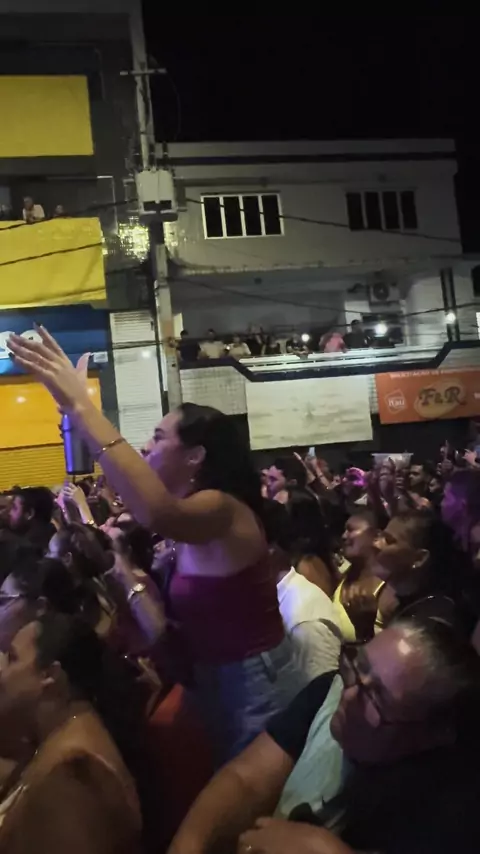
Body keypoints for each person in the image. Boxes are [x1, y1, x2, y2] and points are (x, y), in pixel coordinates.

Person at [8, 326, 306, 765]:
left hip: (253, 683)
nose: (146, 446)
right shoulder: (196, 514)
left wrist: (83, 407)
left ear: (195, 456)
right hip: (215, 680)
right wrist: (75, 415)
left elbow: (156, 511)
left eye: (158, 437)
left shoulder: (222, 509)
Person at [168, 620, 480, 854]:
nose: (348, 696)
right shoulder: (330, 690)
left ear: (431, 736)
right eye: (358, 665)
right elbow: (245, 779)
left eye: (376, 698)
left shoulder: (456, 802)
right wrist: (187, 846)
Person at [0, 614, 141, 854]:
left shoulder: (74, 779)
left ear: (49, 675)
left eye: (13, 658)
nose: (1, 671)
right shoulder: (55, 738)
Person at [333, 510, 385, 642]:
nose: (343, 536)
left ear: (376, 537)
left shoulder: (389, 587)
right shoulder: (343, 576)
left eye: (350, 530)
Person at [8, 487, 55, 555]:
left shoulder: (24, 552)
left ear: (29, 513)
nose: (10, 513)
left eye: (14, 508)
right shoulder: (53, 535)